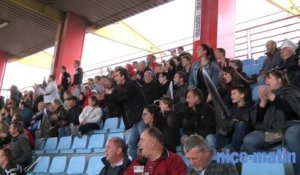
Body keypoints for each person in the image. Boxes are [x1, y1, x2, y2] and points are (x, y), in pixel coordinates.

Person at [242, 69, 300, 175]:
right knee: (248, 141)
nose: (266, 81)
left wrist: (272, 97)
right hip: (273, 132)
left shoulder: (290, 90)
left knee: (290, 134)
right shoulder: (266, 95)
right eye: (265, 79)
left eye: (269, 78)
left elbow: (293, 110)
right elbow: (257, 120)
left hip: (289, 128)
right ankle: (273, 164)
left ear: (279, 80)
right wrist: (263, 103)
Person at [102, 67, 147, 159]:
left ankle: (150, 165)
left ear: (123, 76)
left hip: (142, 118)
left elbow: (121, 96)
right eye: (114, 76)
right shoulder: (121, 89)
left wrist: (106, 96)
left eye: (117, 76)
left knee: (145, 142)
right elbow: (118, 101)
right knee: (131, 143)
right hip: (135, 121)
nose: (115, 78)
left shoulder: (131, 84)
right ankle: (136, 165)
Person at [216, 85, 253, 151]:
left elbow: (247, 119)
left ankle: (233, 149)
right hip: (231, 131)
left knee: (241, 124)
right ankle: (219, 149)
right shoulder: (230, 108)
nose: (231, 96)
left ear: (242, 95)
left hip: (244, 131)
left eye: (234, 94)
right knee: (221, 124)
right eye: (231, 94)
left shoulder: (250, 106)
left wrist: (235, 119)